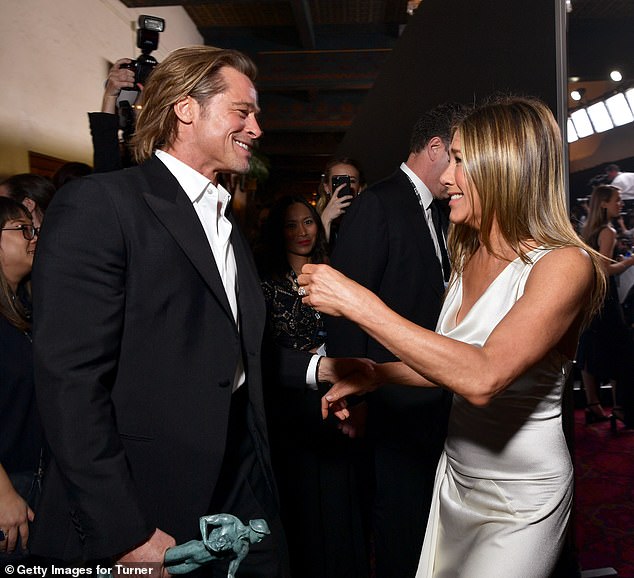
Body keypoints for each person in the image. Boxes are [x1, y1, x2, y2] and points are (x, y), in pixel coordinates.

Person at [30, 45, 359, 577]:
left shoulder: (226, 225)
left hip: (241, 477)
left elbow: (228, 348)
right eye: (242, 111)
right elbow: (69, 383)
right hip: (146, 496)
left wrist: (324, 370)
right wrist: (125, 531)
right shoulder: (102, 204)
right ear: (186, 109)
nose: (256, 128)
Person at [297, 96, 606, 577]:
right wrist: (378, 374)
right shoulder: (468, 252)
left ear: (500, 166)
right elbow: (452, 367)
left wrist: (360, 303)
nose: (444, 177)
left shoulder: (563, 265)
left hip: (521, 498)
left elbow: (484, 375)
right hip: (456, 480)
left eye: (460, 162)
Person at [324, 103, 466, 578]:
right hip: (388, 397)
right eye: (459, 156)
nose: (463, 170)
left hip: (428, 390)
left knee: (426, 515)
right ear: (435, 148)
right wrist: (354, 395)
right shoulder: (378, 203)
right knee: (398, 521)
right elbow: (344, 308)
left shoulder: (441, 212)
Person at [257, 196, 368, 578]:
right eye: (291, 224)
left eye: (308, 222)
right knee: (300, 504)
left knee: (338, 498)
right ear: (278, 232)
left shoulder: (333, 273)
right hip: (288, 407)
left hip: (335, 397)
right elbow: (262, 352)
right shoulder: (265, 283)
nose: (302, 232)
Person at [0, 198, 43, 566]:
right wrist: (2, 492)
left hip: (32, 481)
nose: (33, 237)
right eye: (22, 229)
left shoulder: (23, 307)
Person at [577, 184, 634, 426]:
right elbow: (603, 270)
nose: (621, 203)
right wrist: (629, 262)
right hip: (606, 299)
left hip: (591, 298)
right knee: (621, 350)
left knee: (590, 350)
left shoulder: (589, 231)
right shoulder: (608, 231)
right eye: (617, 200)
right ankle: (619, 407)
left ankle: (593, 405)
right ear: (603, 203)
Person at [315, 157, 365, 245]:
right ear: (326, 187)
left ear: (359, 188)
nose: (345, 186)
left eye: (352, 181)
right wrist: (325, 220)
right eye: (338, 182)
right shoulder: (313, 220)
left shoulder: (368, 219)